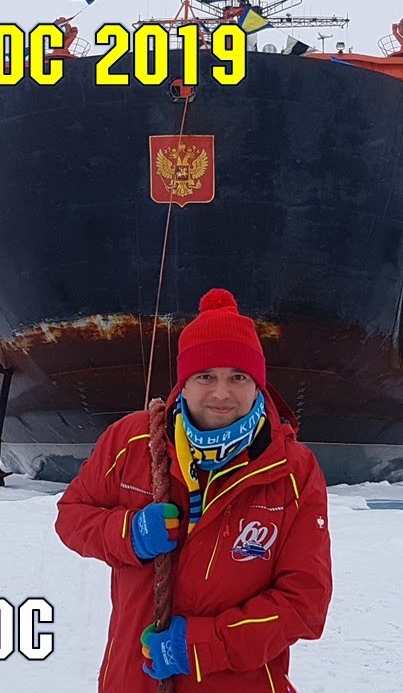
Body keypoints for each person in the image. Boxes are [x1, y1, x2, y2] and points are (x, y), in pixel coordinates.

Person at [55, 289, 332, 692]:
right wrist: (128, 533)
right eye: (206, 376)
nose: (221, 393)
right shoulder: (131, 441)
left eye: (238, 377)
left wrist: (204, 646)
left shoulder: (293, 471)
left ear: (258, 385)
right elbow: (72, 515)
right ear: (184, 383)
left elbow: (305, 603)